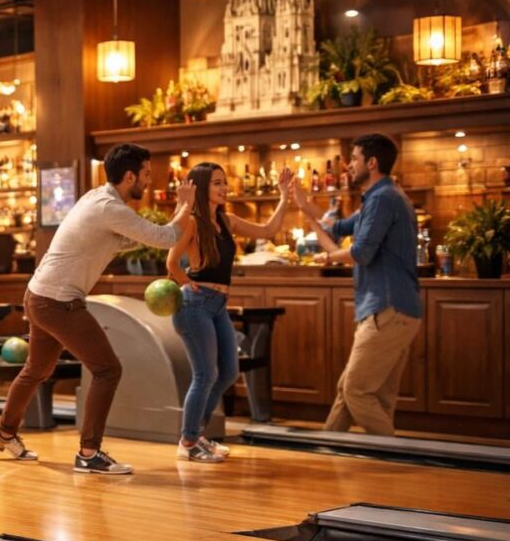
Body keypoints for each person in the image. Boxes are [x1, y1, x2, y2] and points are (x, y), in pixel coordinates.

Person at [0, 143, 193, 474]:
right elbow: (164, 237)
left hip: (39, 294)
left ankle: (4, 434)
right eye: (145, 174)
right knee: (107, 369)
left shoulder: (99, 199)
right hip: (57, 301)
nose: (148, 180)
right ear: (130, 176)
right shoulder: (109, 208)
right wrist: (184, 207)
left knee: (37, 369)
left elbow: (129, 239)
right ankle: (88, 453)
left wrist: (173, 220)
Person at [291, 134, 422, 436]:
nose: (348, 166)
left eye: (354, 159)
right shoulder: (379, 198)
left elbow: (361, 253)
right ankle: (330, 453)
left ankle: (395, 454)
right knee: (362, 393)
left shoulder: (383, 199)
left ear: (372, 163)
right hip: (395, 310)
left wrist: (331, 256)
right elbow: (333, 228)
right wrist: (302, 204)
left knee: (357, 391)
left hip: (388, 308)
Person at [165, 162, 291, 463]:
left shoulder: (227, 220)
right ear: (200, 188)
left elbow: (269, 230)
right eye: (217, 183)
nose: (224, 188)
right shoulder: (193, 222)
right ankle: (188, 441)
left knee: (229, 373)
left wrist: (285, 197)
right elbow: (171, 262)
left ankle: (197, 434)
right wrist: (188, 285)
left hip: (218, 305)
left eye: (224, 182)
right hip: (195, 305)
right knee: (206, 374)